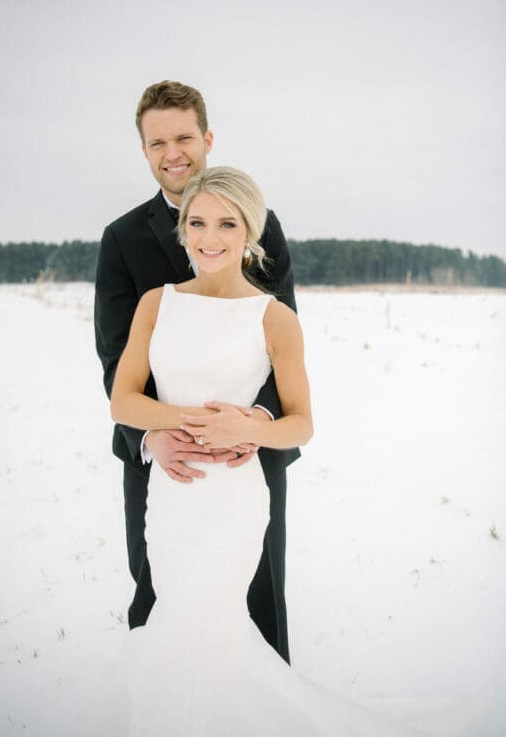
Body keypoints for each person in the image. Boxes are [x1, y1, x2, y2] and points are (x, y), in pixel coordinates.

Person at [108, 167, 428, 737]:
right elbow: (124, 401)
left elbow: (301, 424)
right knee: (173, 617)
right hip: (174, 497)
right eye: (198, 222)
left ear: (251, 231)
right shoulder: (157, 304)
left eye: (227, 223)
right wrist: (180, 424)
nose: (211, 236)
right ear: (183, 230)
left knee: (215, 624)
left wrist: (251, 428)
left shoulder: (274, 316)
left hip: (233, 499)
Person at [94, 80, 299, 662]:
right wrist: (151, 435)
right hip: (159, 454)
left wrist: (254, 423)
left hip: (249, 455)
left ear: (207, 138)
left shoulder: (262, 222)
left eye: (184, 136)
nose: (173, 152)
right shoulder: (122, 239)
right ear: (144, 150)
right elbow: (116, 358)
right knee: (158, 602)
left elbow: (279, 333)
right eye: (157, 142)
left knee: (258, 605)